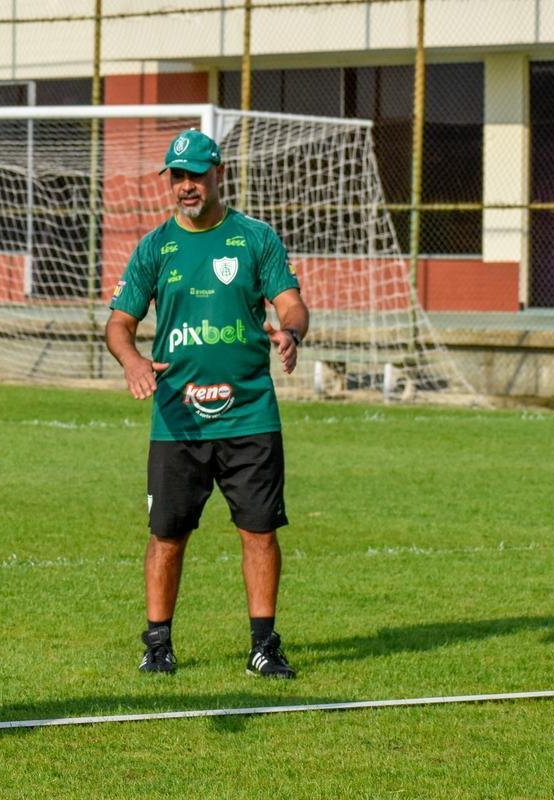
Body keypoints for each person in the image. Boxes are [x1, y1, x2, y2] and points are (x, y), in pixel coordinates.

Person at [105, 129, 309, 680]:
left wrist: (291, 332)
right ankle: (158, 645)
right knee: (167, 535)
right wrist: (133, 362)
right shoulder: (154, 247)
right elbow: (120, 324)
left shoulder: (255, 239)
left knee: (259, 532)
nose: (186, 186)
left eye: (196, 174)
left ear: (219, 173)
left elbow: (292, 303)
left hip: (250, 415)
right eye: (177, 176)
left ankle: (263, 646)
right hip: (177, 420)